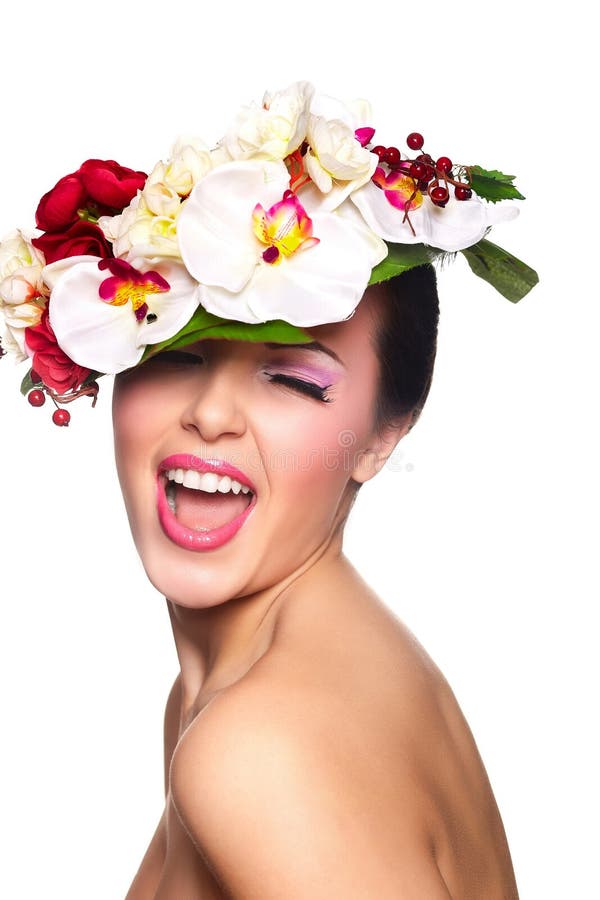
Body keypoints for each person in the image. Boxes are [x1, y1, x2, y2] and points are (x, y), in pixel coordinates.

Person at [0, 81, 537, 898]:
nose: (212, 413)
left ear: (386, 434)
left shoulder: (261, 742)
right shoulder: (251, 684)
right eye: (174, 354)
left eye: (294, 382)